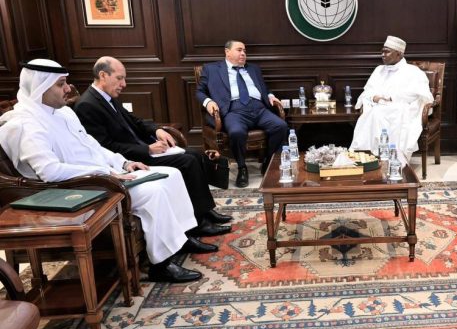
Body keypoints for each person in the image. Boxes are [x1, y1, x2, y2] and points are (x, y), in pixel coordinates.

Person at [0, 59, 214, 283]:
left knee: (172, 175)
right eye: (60, 84)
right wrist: (105, 173)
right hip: (81, 187)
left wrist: (123, 162)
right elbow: (50, 172)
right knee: (155, 192)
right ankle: (159, 265)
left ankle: (181, 239)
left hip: (104, 175)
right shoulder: (26, 125)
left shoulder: (63, 113)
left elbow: (93, 146)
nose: (68, 89)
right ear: (40, 87)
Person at [74, 56, 232, 236]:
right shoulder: (87, 105)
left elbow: (135, 121)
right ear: (103, 75)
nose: (124, 84)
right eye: (119, 78)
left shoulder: (106, 97)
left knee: (195, 155)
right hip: (130, 159)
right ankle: (198, 223)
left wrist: (157, 130)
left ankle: (205, 210)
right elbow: (105, 147)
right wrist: (147, 149)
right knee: (188, 162)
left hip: (141, 148)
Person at [195, 40, 288, 187]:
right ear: (227, 52)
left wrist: (270, 96)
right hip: (234, 110)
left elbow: (263, 88)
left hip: (259, 108)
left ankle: (268, 162)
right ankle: (242, 168)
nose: (243, 53)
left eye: (244, 51)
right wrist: (208, 102)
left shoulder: (253, 69)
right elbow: (200, 92)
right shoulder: (211, 69)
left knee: (281, 126)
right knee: (236, 132)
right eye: (239, 50)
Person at [348, 36, 433, 161]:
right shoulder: (379, 70)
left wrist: (391, 98)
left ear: (399, 54)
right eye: (382, 51)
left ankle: (393, 159)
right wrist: (374, 98)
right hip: (378, 108)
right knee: (374, 114)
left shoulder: (413, 72)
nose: (382, 55)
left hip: (401, 109)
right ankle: (368, 158)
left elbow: (422, 94)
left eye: (386, 52)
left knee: (391, 114)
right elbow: (368, 91)